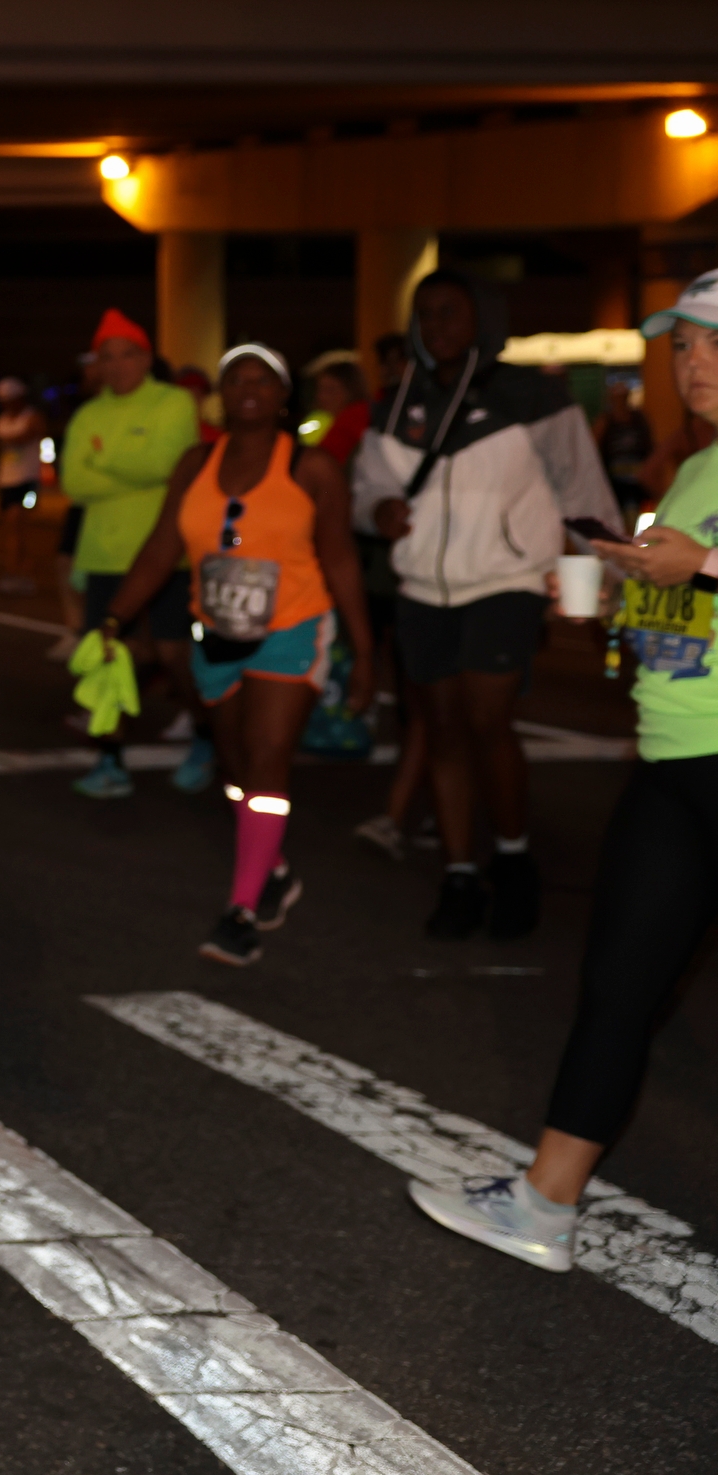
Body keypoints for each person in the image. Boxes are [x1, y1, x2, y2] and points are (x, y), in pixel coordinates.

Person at [408, 271, 718, 1271]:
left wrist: (701, 569)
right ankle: (544, 1205)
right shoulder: (697, 469)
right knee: (618, 985)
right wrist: (622, 584)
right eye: (682, 346)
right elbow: (681, 602)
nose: (693, 364)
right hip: (672, 759)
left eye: (713, 344)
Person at [352, 271, 620, 938]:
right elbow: (368, 488)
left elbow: (582, 495)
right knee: (441, 729)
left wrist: (603, 584)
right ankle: (461, 873)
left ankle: (513, 855)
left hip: (505, 583)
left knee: (487, 718)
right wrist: (377, 508)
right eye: (425, 313)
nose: (435, 323)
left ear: (485, 319)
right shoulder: (395, 404)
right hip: (421, 590)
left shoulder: (534, 397)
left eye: (450, 311)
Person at [100, 345, 371, 964]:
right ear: (222, 395)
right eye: (235, 379)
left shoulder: (312, 469)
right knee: (235, 764)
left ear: (282, 396)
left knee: (268, 758)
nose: (248, 388)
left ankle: (241, 909)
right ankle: (272, 868)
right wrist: (116, 617)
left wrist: (366, 649)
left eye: (262, 379)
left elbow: (343, 562)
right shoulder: (196, 463)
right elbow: (161, 546)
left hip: (293, 628)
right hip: (215, 633)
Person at [62, 308, 200, 797]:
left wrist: (104, 459)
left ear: (146, 359)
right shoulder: (88, 413)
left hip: (165, 554)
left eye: (127, 355)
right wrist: (135, 467)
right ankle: (109, 760)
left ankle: (206, 734)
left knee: (173, 654)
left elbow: (169, 463)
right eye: (107, 358)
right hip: (103, 555)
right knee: (104, 659)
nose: (117, 366)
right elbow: (72, 481)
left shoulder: (176, 401)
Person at [0, 374, 46, 595]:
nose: (7, 404)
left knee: (18, 525)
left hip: (28, 481)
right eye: (4, 400)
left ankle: (16, 572)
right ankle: (22, 570)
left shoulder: (32, 417)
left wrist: (3, 441)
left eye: (11, 399)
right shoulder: (1, 421)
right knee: (13, 528)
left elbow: (28, 436)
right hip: (6, 482)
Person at [596, 376, 655, 528]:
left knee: (642, 515)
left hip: (638, 480)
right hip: (615, 482)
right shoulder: (605, 422)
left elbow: (649, 446)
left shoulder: (639, 419)